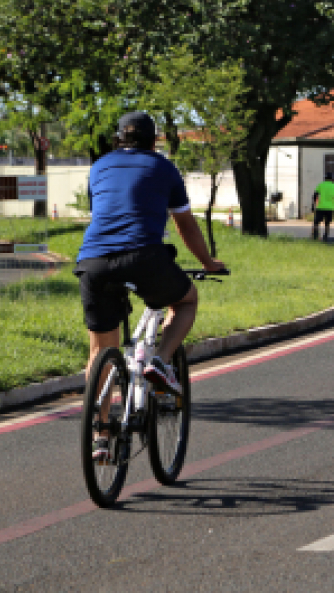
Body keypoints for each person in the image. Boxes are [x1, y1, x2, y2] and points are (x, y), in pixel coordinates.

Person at [74, 112, 226, 457]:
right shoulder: (164, 168)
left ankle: (100, 434)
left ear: (118, 139)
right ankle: (160, 359)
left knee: (100, 351)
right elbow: (186, 226)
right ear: (154, 140)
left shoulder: (99, 167)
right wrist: (208, 263)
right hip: (144, 257)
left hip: (93, 262)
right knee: (186, 300)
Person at [311, 172, 334, 241]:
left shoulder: (321, 185)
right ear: (332, 179)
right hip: (330, 208)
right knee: (327, 222)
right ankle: (325, 235)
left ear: (325, 178)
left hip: (320, 207)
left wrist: (313, 206)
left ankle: (315, 235)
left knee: (316, 222)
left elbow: (315, 195)